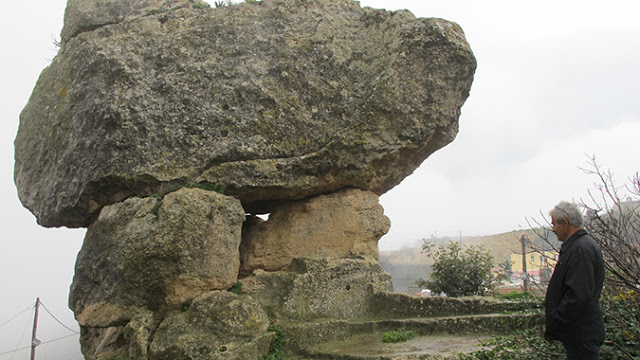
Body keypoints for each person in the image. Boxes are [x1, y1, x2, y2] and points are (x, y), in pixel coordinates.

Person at [545, 201, 605, 360]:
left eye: (554, 224)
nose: (553, 229)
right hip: (580, 331)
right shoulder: (580, 246)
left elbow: (578, 296)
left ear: (565, 223)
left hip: (581, 333)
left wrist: (556, 319)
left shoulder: (580, 249)